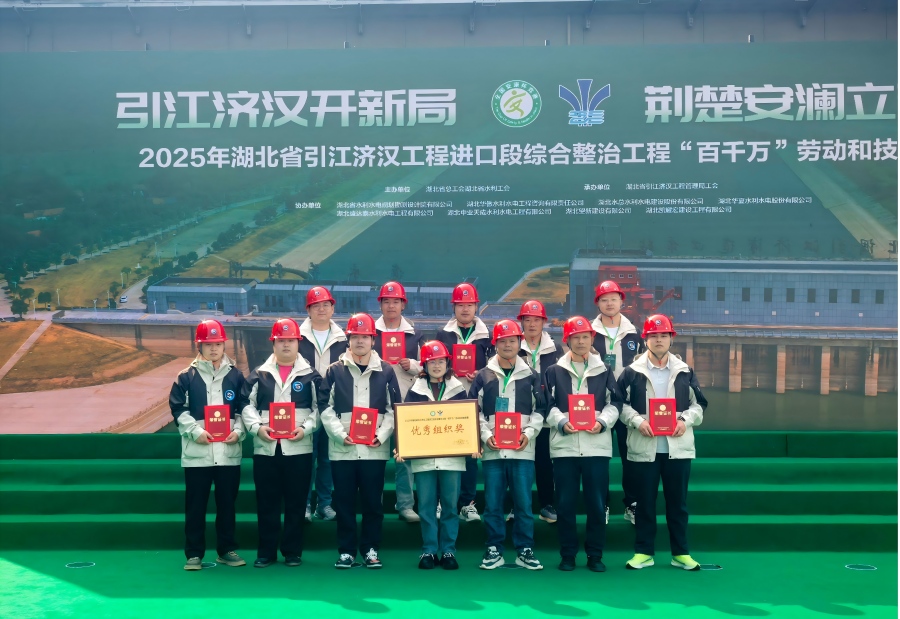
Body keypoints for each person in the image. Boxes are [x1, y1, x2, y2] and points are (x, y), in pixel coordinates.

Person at [617, 314, 708, 571]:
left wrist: (685, 421)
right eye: (654, 335)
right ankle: (643, 552)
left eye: (663, 335)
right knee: (644, 504)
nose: (659, 339)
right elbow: (618, 404)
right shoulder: (632, 372)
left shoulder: (684, 371)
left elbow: (699, 404)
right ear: (645, 339)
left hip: (677, 449)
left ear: (671, 339)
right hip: (645, 447)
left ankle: (681, 553)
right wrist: (637, 421)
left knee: (677, 504)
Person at [319, 313, 400, 569]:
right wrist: (340, 434)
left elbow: (393, 409)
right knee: (343, 502)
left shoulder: (386, 371)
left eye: (365, 336)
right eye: (355, 336)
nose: (360, 341)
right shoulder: (334, 370)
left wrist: (381, 435)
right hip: (343, 448)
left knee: (373, 503)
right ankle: (346, 551)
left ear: (373, 340)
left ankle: (371, 549)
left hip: (374, 449)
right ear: (349, 340)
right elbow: (324, 407)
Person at [241, 318, 322, 568]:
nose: (286, 345)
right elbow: (245, 405)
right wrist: (257, 428)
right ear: (273, 344)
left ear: (298, 343)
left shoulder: (311, 375)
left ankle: (292, 551)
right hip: (266, 448)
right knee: (267, 502)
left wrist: (305, 429)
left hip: (299, 448)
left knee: (296, 502)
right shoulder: (259, 374)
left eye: (290, 340)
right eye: (281, 340)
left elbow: (320, 408)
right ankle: (266, 552)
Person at [545, 316, 623, 572]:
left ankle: (595, 555)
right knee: (565, 504)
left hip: (596, 447)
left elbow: (616, 403)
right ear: (567, 341)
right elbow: (547, 405)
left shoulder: (604, 370)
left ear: (592, 339)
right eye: (575, 337)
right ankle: (568, 554)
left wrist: (602, 421)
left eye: (585, 337)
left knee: (596, 505)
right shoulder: (554, 371)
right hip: (564, 447)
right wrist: (560, 422)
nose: (581, 342)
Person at [169, 319, 246, 571]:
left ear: (224, 345)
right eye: (208, 344)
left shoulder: (236, 376)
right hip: (198, 453)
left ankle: (226, 550)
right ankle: (194, 554)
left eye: (218, 344)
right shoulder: (185, 377)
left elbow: (244, 410)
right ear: (199, 346)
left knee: (227, 505)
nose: (214, 348)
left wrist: (239, 432)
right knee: (195, 505)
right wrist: (195, 432)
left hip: (227, 452)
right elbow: (178, 410)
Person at [470, 319, 544, 571]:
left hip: (522, 450)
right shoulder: (483, 375)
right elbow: (474, 411)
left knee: (523, 504)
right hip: (493, 450)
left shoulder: (532, 375)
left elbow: (540, 410)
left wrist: (529, 434)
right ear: (495, 344)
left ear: (519, 343)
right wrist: (485, 436)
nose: (508, 345)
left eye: (512, 340)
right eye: (502, 341)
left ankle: (525, 549)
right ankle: (494, 548)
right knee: (493, 504)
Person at [400, 340, 472, 570]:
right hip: (424, 459)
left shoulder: (458, 389)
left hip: (452, 459)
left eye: (441, 361)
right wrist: (402, 448)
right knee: (426, 506)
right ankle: (429, 550)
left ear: (447, 363)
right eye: (432, 362)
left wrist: (472, 443)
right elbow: (407, 423)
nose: (437, 365)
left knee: (450, 505)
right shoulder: (415, 390)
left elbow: (467, 422)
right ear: (424, 365)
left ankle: (449, 549)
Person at [435, 282, 493, 523]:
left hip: (475, 401)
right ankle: (443, 501)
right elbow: (435, 364)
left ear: (476, 306)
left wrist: (481, 373)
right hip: (448, 399)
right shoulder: (443, 335)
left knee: (470, 453)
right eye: (460, 305)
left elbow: (494, 367)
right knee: (445, 452)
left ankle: (467, 503)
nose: (465, 309)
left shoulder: (487, 336)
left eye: (469, 305)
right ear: (454, 307)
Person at [373, 281, 425, 523]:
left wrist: (412, 365)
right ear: (381, 305)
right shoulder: (369, 332)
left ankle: (405, 505)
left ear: (403, 305)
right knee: (373, 457)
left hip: (405, 402)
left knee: (406, 458)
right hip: (374, 403)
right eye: (386, 301)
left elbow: (429, 366)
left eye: (396, 301)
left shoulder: (415, 334)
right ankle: (372, 504)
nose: (391, 306)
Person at [592, 280, 644, 525]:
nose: (609, 303)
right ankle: (601, 504)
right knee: (599, 457)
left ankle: (631, 503)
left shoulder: (635, 333)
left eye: (613, 299)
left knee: (629, 455)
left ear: (622, 301)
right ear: (598, 303)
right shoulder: (589, 333)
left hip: (627, 404)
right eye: (604, 299)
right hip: (599, 404)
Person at [298, 286, 348, 523]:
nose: (321, 309)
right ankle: (305, 504)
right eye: (316, 305)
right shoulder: (296, 337)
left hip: (332, 407)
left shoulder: (344, 338)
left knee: (328, 458)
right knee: (307, 458)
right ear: (308, 309)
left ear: (333, 308)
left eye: (325, 305)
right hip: (304, 406)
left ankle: (324, 504)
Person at [517, 299, 564, 524]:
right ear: (522, 322)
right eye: (527, 320)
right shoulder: (513, 345)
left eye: (536, 320)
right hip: (519, 415)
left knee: (545, 462)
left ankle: (547, 504)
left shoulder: (555, 349)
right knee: (519, 464)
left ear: (544, 322)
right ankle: (517, 506)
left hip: (545, 417)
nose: (532, 324)